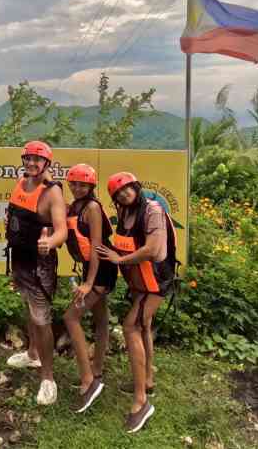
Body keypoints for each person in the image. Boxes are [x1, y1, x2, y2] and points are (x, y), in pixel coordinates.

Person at [97, 171, 177, 434]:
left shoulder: (151, 210)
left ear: (136, 187)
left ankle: (141, 401)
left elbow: (153, 249)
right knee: (143, 327)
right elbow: (126, 244)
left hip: (156, 279)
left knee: (130, 325)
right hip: (139, 280)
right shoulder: (125, 214)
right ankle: (148, 379)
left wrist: (119, 260)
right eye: (118, 192)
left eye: (127, 188)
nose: (124, 193)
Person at [4, 140, 67, 406]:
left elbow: (62, 229)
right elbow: (17, 212)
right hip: (19, 258)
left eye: (37, 160)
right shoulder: (21, 182)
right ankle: (32, 354)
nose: (31, 164)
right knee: (28, 308)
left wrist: (49, 242)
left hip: (40, 265)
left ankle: (48, 378)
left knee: (42, 319)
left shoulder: (52, 192)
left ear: (47, 164)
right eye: (27, 159)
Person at [62, 163, 117, 413]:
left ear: (91, 186)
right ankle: (97, 368)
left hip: (101, 269)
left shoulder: (92, 208)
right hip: (90, 268)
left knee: (71, 316)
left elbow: (96, 247)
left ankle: (89, 380)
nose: (76, 187)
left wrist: (88, 283)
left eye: (82, 184)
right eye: (73, 183)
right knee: (101, 319)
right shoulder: (75, 205)